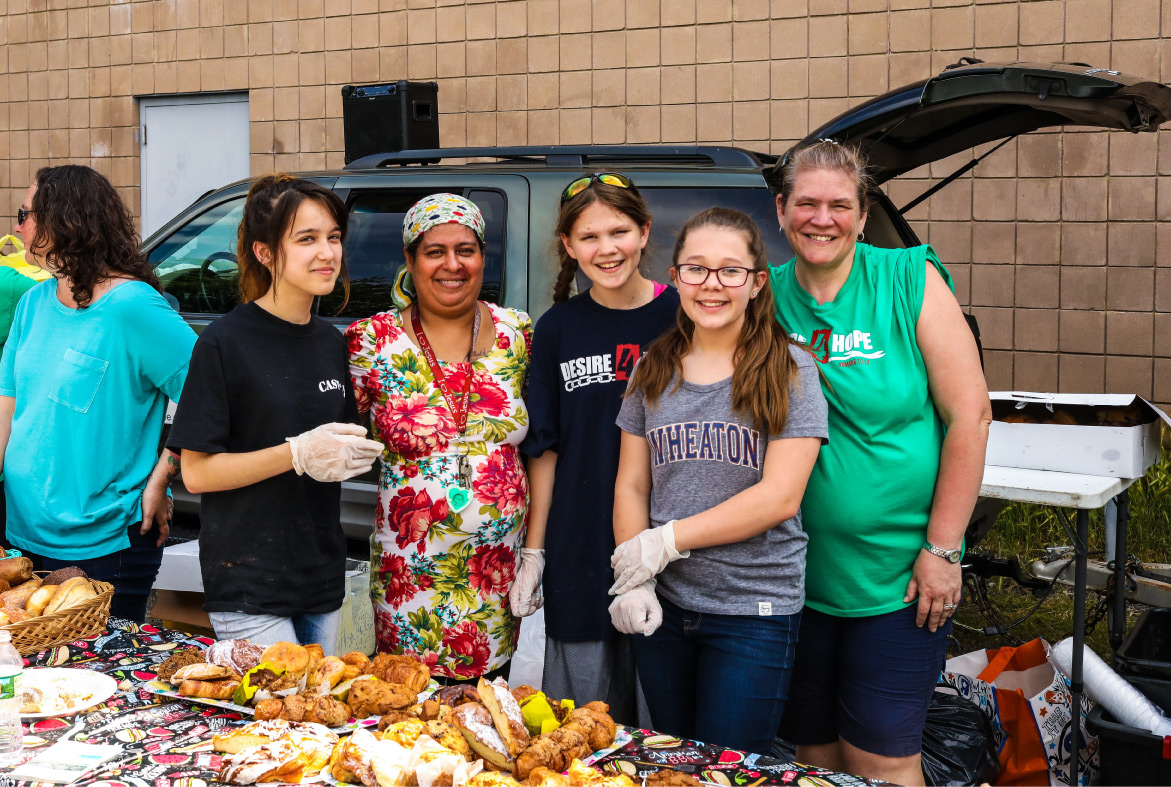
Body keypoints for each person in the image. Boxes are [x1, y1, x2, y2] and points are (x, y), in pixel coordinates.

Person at [770, 141, 990, 786]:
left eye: (840, 205)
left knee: (883, 760)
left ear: (863, 216)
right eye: (806, 203)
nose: (822, 218)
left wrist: (943, 550)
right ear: (781, 211)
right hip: (791, 575)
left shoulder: (907, 280)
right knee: (813, 754)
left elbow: (969, 418)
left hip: (898, 581)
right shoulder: (762, 296)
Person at [608, 207, 828, 753]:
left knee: (730, 765)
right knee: (676, 760)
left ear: (756, 283)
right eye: (696, 269)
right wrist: (635, 575)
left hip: (753, 611)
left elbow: (779, 497)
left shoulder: (791, 370)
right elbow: (632, 485)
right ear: (675, 277)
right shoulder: (652, 368)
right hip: (667, 605)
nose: (712, 284)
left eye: (730, 271)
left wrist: (666, 541)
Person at [168, 175, 382, 652]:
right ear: (265, 253)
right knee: (277, 715)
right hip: (248, 581)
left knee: (319, 721)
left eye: (333, 237)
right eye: (306, 239)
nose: (326, 253)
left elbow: (331, 449)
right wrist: (296, 453)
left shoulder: (331, 342)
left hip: (320, 573)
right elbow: (197, 473)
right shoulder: (224, 342)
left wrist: (345, 455)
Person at [509, 172, 677, 725]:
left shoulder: (685, 316)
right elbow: (546, 448)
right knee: (585, 727)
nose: (606, 249)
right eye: (588, 237)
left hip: (671, 547)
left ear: (645, 232)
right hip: (580, 547)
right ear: (568, 246)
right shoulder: (558, 328)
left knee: (664, 732)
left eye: (619, 231)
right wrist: (535, 553)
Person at [347, 193, 531, 682]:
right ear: (410, 260)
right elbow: (331, 435)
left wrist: (539, 553)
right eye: (435, 251)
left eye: (466, 250)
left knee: (486, 716)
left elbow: (549, 443)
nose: (453, 264)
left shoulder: (519, 332)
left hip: (495, 575)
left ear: (482, 257)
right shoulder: (371, 341)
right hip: (410, 579)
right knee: (406, 712)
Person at [0, 165, 197, 621]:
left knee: (100, 682)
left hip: (105, 545)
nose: (17, 226)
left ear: (64, 222)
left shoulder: (133, 308)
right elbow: (6, 415)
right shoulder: (32, 304)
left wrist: (163, 475)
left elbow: (214, 399)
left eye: (24, 214)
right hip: (22, 540)